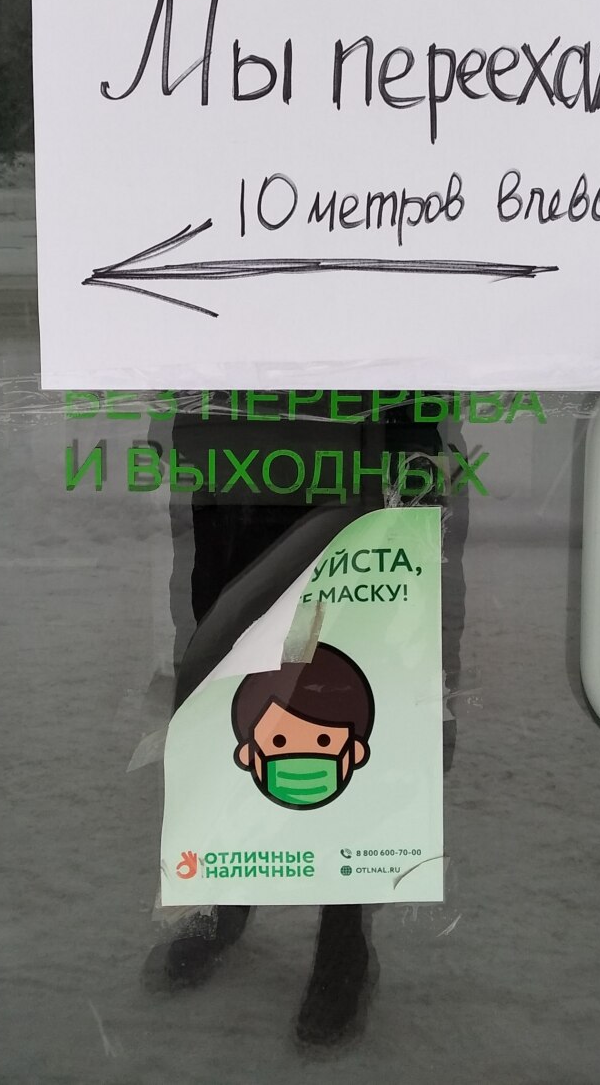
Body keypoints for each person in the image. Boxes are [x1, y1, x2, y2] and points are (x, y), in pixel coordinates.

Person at [147, 400, 465, 1049]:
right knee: (225, 670)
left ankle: (344, 930)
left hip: (363, 433)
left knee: (355, 675)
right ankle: (228, 891)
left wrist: (412, 454)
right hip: (237, 440)